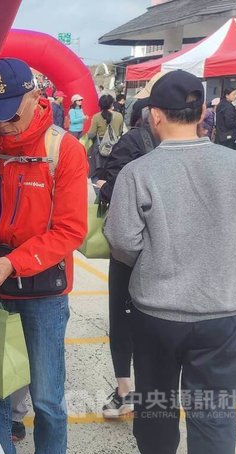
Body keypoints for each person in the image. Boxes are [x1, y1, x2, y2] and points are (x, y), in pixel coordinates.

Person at [104, 70, 236, 454]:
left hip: (156, 317)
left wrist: (155, 258)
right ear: (201, 113)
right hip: (222, 318)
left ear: (155, 115)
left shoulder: (138, 172)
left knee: (156, 408)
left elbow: (122, 241)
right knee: (214, 416)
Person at [0, 58, 87, 454]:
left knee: (48, 399)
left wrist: (13, 262)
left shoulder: (64, 150)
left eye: (7, 115)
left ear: (34, 97)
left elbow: (70, 230)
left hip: (42, 293)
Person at [93, 77, 161, 419]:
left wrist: (104, 186)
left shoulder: (134, 142)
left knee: (122, 317)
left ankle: (125, 391)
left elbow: (109, 186)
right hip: (172, 256)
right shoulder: (210, 152)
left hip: (131, 252)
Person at [86, 94, 124, 178]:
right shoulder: (119, 116)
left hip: (101, 147)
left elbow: (92, 133)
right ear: (111, 104)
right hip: (115, 145)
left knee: (99, 168)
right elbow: (120, 131)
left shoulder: (96, 117)